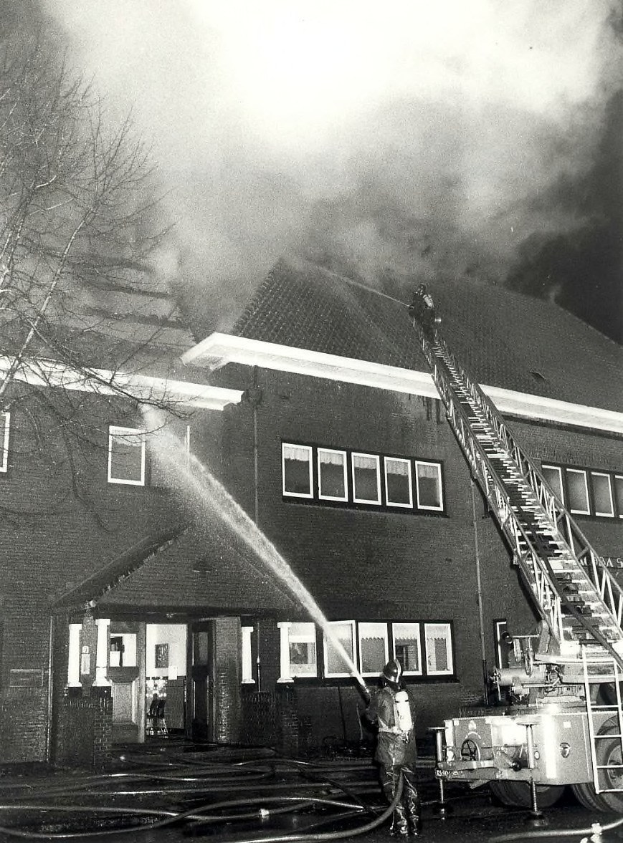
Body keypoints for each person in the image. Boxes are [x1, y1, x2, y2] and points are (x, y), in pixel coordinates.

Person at [364, 659, 421, 836]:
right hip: (409, 750)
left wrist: (371, 705)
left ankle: (401, 826)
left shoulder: (380, 695)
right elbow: (414, 717)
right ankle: (416, 825)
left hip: (390, 752)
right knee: (412, 788)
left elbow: (369, 717)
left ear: (385, 677)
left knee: (392, 789)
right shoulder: (408, 695)